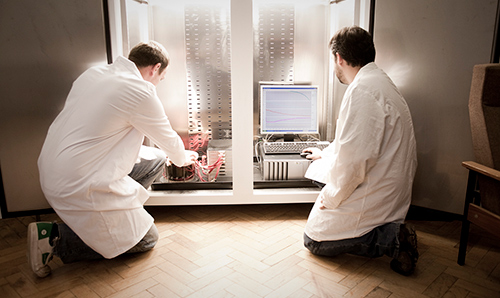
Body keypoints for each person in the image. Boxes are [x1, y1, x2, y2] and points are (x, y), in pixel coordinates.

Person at [29, 41, 198, 278]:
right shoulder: (140, 91)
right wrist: (183, 158)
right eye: (162, 77)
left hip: (55, 168)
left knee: (157, 159)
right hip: (78, 182)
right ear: (155, 68)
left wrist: (172, 155)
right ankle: (54, 238)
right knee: (147, 239)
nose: (159, 82)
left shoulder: (94, 73)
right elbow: (169, 139)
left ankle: (120, 216)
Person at [301, 26, 419, 276]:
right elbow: (358, 141)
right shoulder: (378, 81)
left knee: (315, 240)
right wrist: (326, 153)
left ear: (339, 58)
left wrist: (331, 197)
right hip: (387, 184)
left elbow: (355, 162)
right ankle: (389, 230)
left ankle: (391, 239)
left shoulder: (363, 91)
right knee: (323, 184)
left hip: (376, 191)